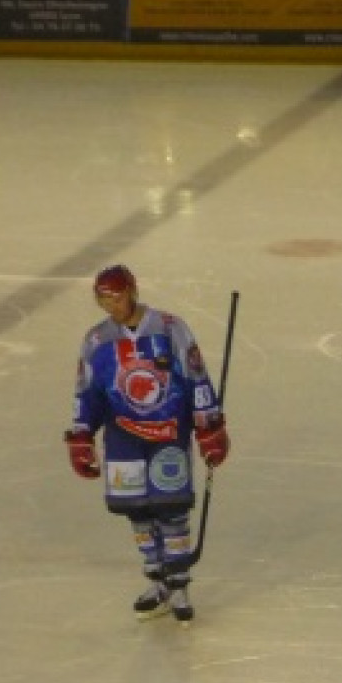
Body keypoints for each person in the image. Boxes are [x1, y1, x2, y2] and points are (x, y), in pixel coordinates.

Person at [64, 265, 230, 623]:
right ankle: (157, 579)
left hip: (169, 431)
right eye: (103, 299)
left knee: (171, 508)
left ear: (133, 291)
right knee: (136, 510)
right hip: (123, 437)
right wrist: (81, 435)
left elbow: (196, 377)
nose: (112, 306)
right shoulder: (96, 340)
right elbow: (88, 392)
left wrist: (209, 427)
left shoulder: (171, 329)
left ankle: (179, 583)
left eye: (117, 296)